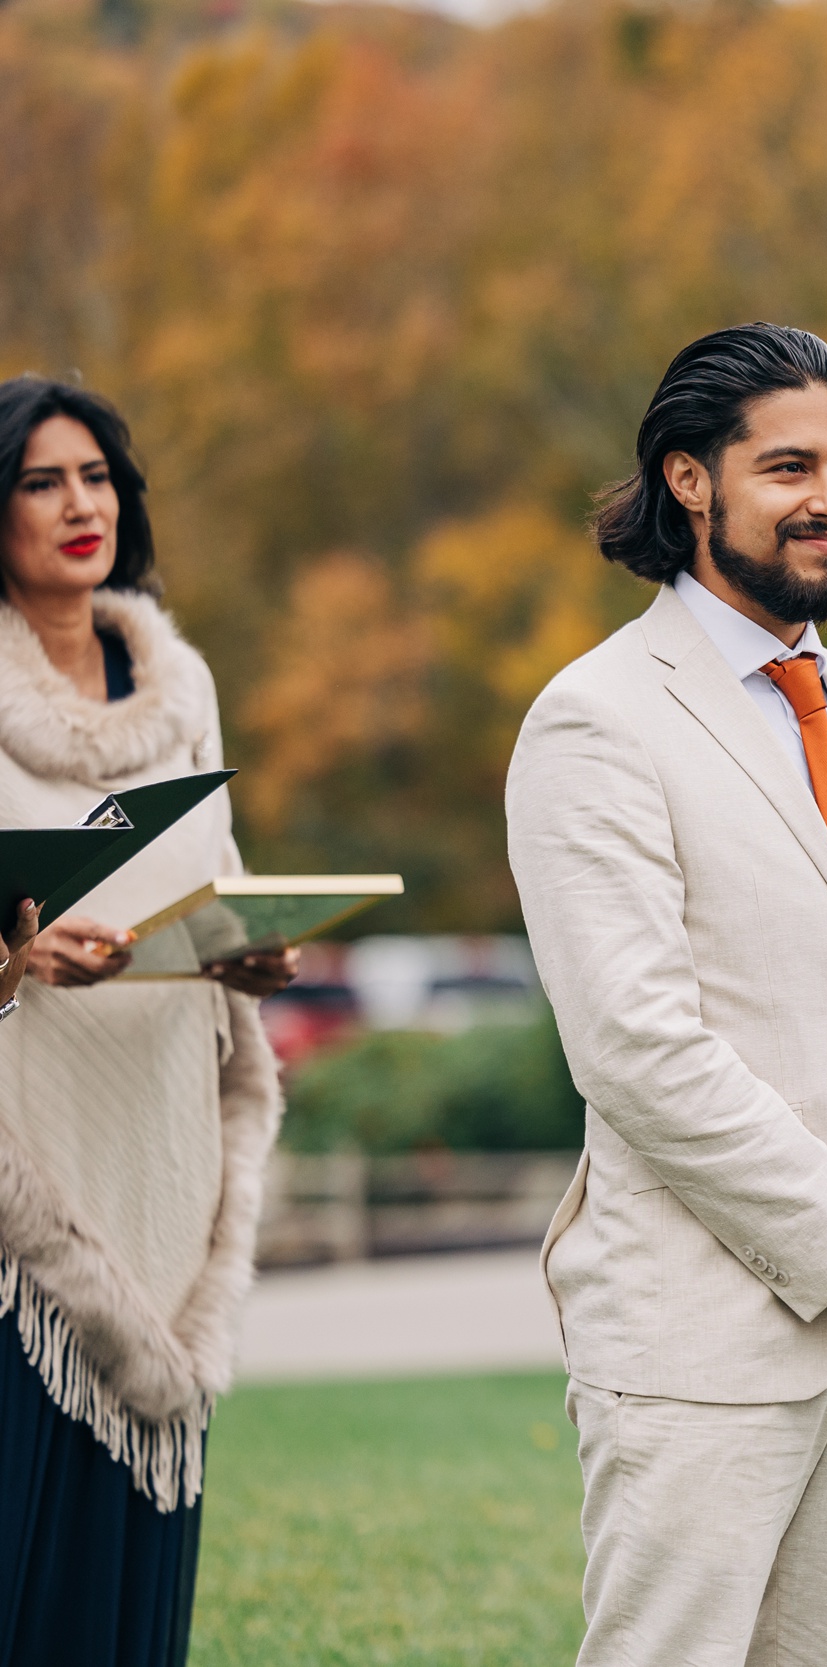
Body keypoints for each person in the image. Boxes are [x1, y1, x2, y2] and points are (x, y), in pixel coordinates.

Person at [506, 323, 827, 1667]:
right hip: (705, 1327)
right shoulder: (596, 717)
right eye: (790, 464)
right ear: (689, 479)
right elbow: (634, 1042)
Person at [0, 377, 297, 1664]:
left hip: (165, 1134)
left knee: (137, 1579)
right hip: (27, 1161)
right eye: (44, 479)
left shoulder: (181, 684)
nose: (83, 505)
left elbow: (201, 872)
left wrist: (247, 950)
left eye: (100, 475)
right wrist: (12, 947)